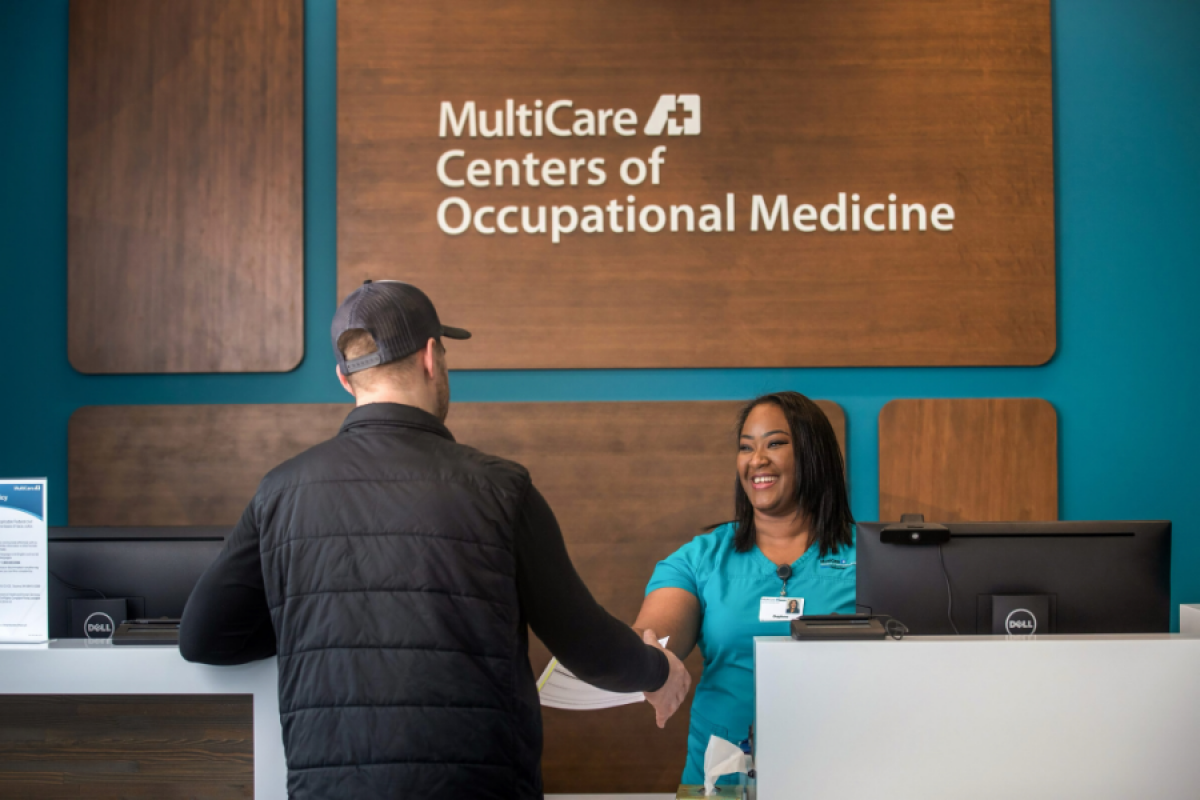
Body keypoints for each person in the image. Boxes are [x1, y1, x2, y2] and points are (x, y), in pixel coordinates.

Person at [180, 280, 690, 800]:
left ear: (344, 379)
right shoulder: (500, 489)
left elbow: (203, 638)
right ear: (431, 357)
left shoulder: (281, 491)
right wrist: (657, 670)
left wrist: (313, 615)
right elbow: (585, 643)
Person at [632, 391, 855, 788]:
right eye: (746, 448)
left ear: (813, 453)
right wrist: (650, 657)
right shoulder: (700, 558)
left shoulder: (871, 557)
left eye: (776, 443)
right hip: (721, 785)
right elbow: (657, 633)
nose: (757, 460)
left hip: (842, 779)